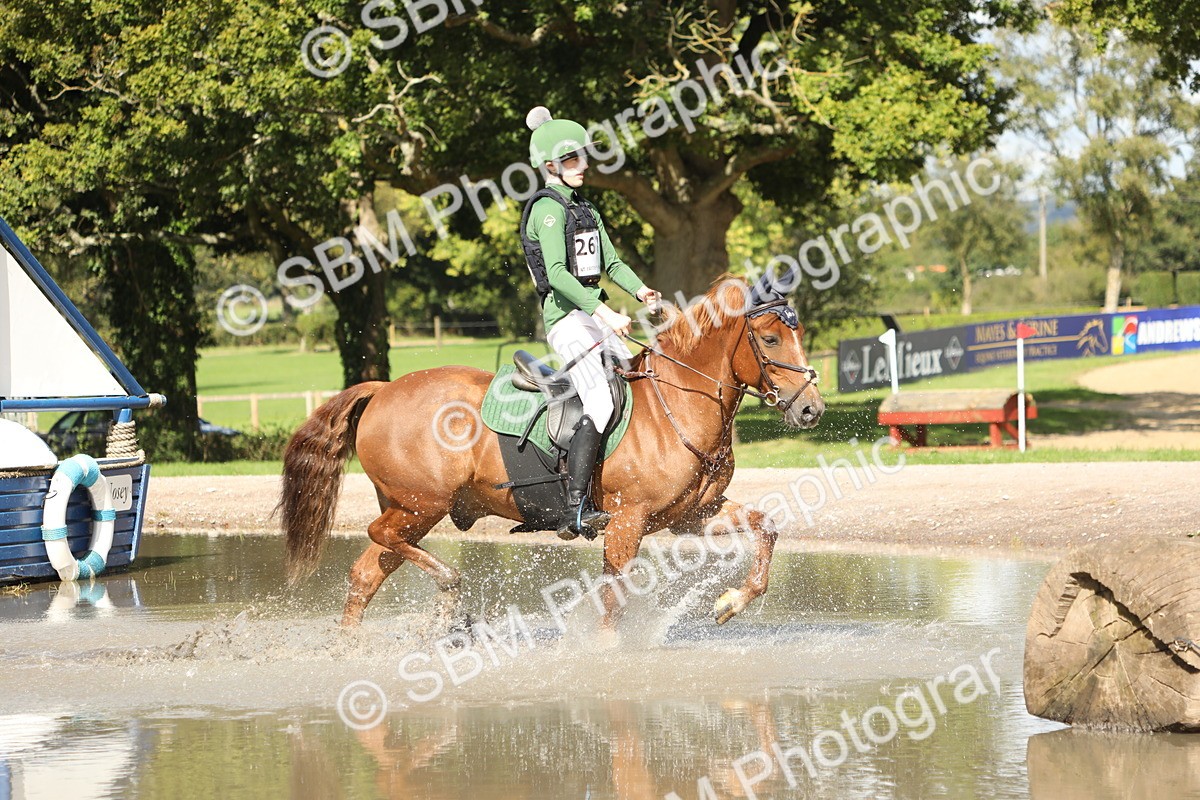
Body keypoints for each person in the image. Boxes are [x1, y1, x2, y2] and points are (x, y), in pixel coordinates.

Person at [520, 106, 660, 540]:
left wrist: (641, 292)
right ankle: (574, 507)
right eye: (572, 159)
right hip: (566, 321)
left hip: (592, 317)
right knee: (599, 402)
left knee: (637, 380)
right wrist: (606, 311)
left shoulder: (586, 209)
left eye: (583, 156)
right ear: (550, 167)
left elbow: (612, 262)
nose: (583, 165)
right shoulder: (549, 210)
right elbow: (559, 274)